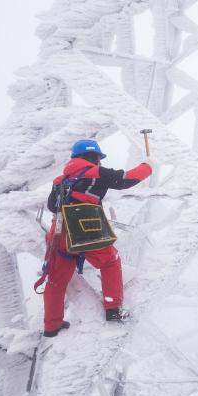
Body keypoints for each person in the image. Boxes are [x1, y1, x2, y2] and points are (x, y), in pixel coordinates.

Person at [41, 139, 153, 337]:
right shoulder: (94, 172)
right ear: (94, 157)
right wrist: (147, 167)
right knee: (110, 261)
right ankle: (113, 310)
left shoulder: (60, 180)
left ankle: (52, 326)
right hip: (86, 230)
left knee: (56, 280)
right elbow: (125, 179)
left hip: (59, 235)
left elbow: (51, 206)